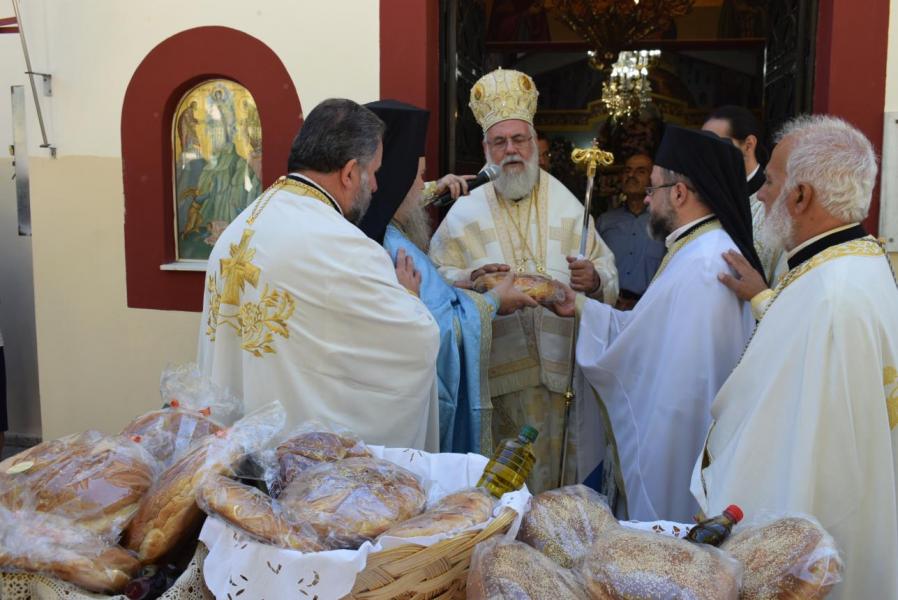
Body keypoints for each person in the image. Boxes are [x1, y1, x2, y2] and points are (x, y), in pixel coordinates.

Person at [692, 115, 898, 600]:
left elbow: (791, 451)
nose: (761, 195)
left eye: (769, 181)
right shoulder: (861, 260)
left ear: (801, 196)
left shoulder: (830, 295)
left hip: (812, 542)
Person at [197, 98, 441, 451]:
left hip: (234, 452)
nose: (375, 186)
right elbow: (416, 341)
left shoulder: (240, 227)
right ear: (349, 173)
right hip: (297, 464)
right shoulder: (344, 245)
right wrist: (409, 298)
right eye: (373, 172)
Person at [551, 125, 760, 522]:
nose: (647, 198)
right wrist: (579, 307)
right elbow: (648, 335)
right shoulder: (696, 250)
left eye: (654, 187)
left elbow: (683, 388)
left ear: (679, 193)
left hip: (681, 455)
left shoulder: (705, 264)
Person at [429, 68, 619, 492]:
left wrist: (593, 279)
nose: (511, 150)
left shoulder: (567, 204)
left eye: (519, 139)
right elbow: (434, 280)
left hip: (560, 379)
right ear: (486, 150)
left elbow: (606, 269)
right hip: (497, 379)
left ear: (534, 144)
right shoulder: (464, 212)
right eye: (500, 142)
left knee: (559, 487)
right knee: (503, 489)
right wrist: (472, 280)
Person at [357, 100, 536, 454]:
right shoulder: (393, 246)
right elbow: (439, 328)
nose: (425, 187)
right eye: (419, 176)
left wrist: (463, 284)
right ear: (398, 179)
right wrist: (495, 301)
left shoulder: (389, 233)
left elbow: (429, 296)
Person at [703, 105, 787, 285]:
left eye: (717, 145)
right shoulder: (702, 199)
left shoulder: (776, 203)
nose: (707, 155)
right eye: (704, 146)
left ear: (748, 144)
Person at [597, 153, 666, 309]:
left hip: (649, 309)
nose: (631, 175)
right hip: (608, 307)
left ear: (653, 178)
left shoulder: (665, 222)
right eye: (627, 170)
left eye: (640, 171)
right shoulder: (605, 221)